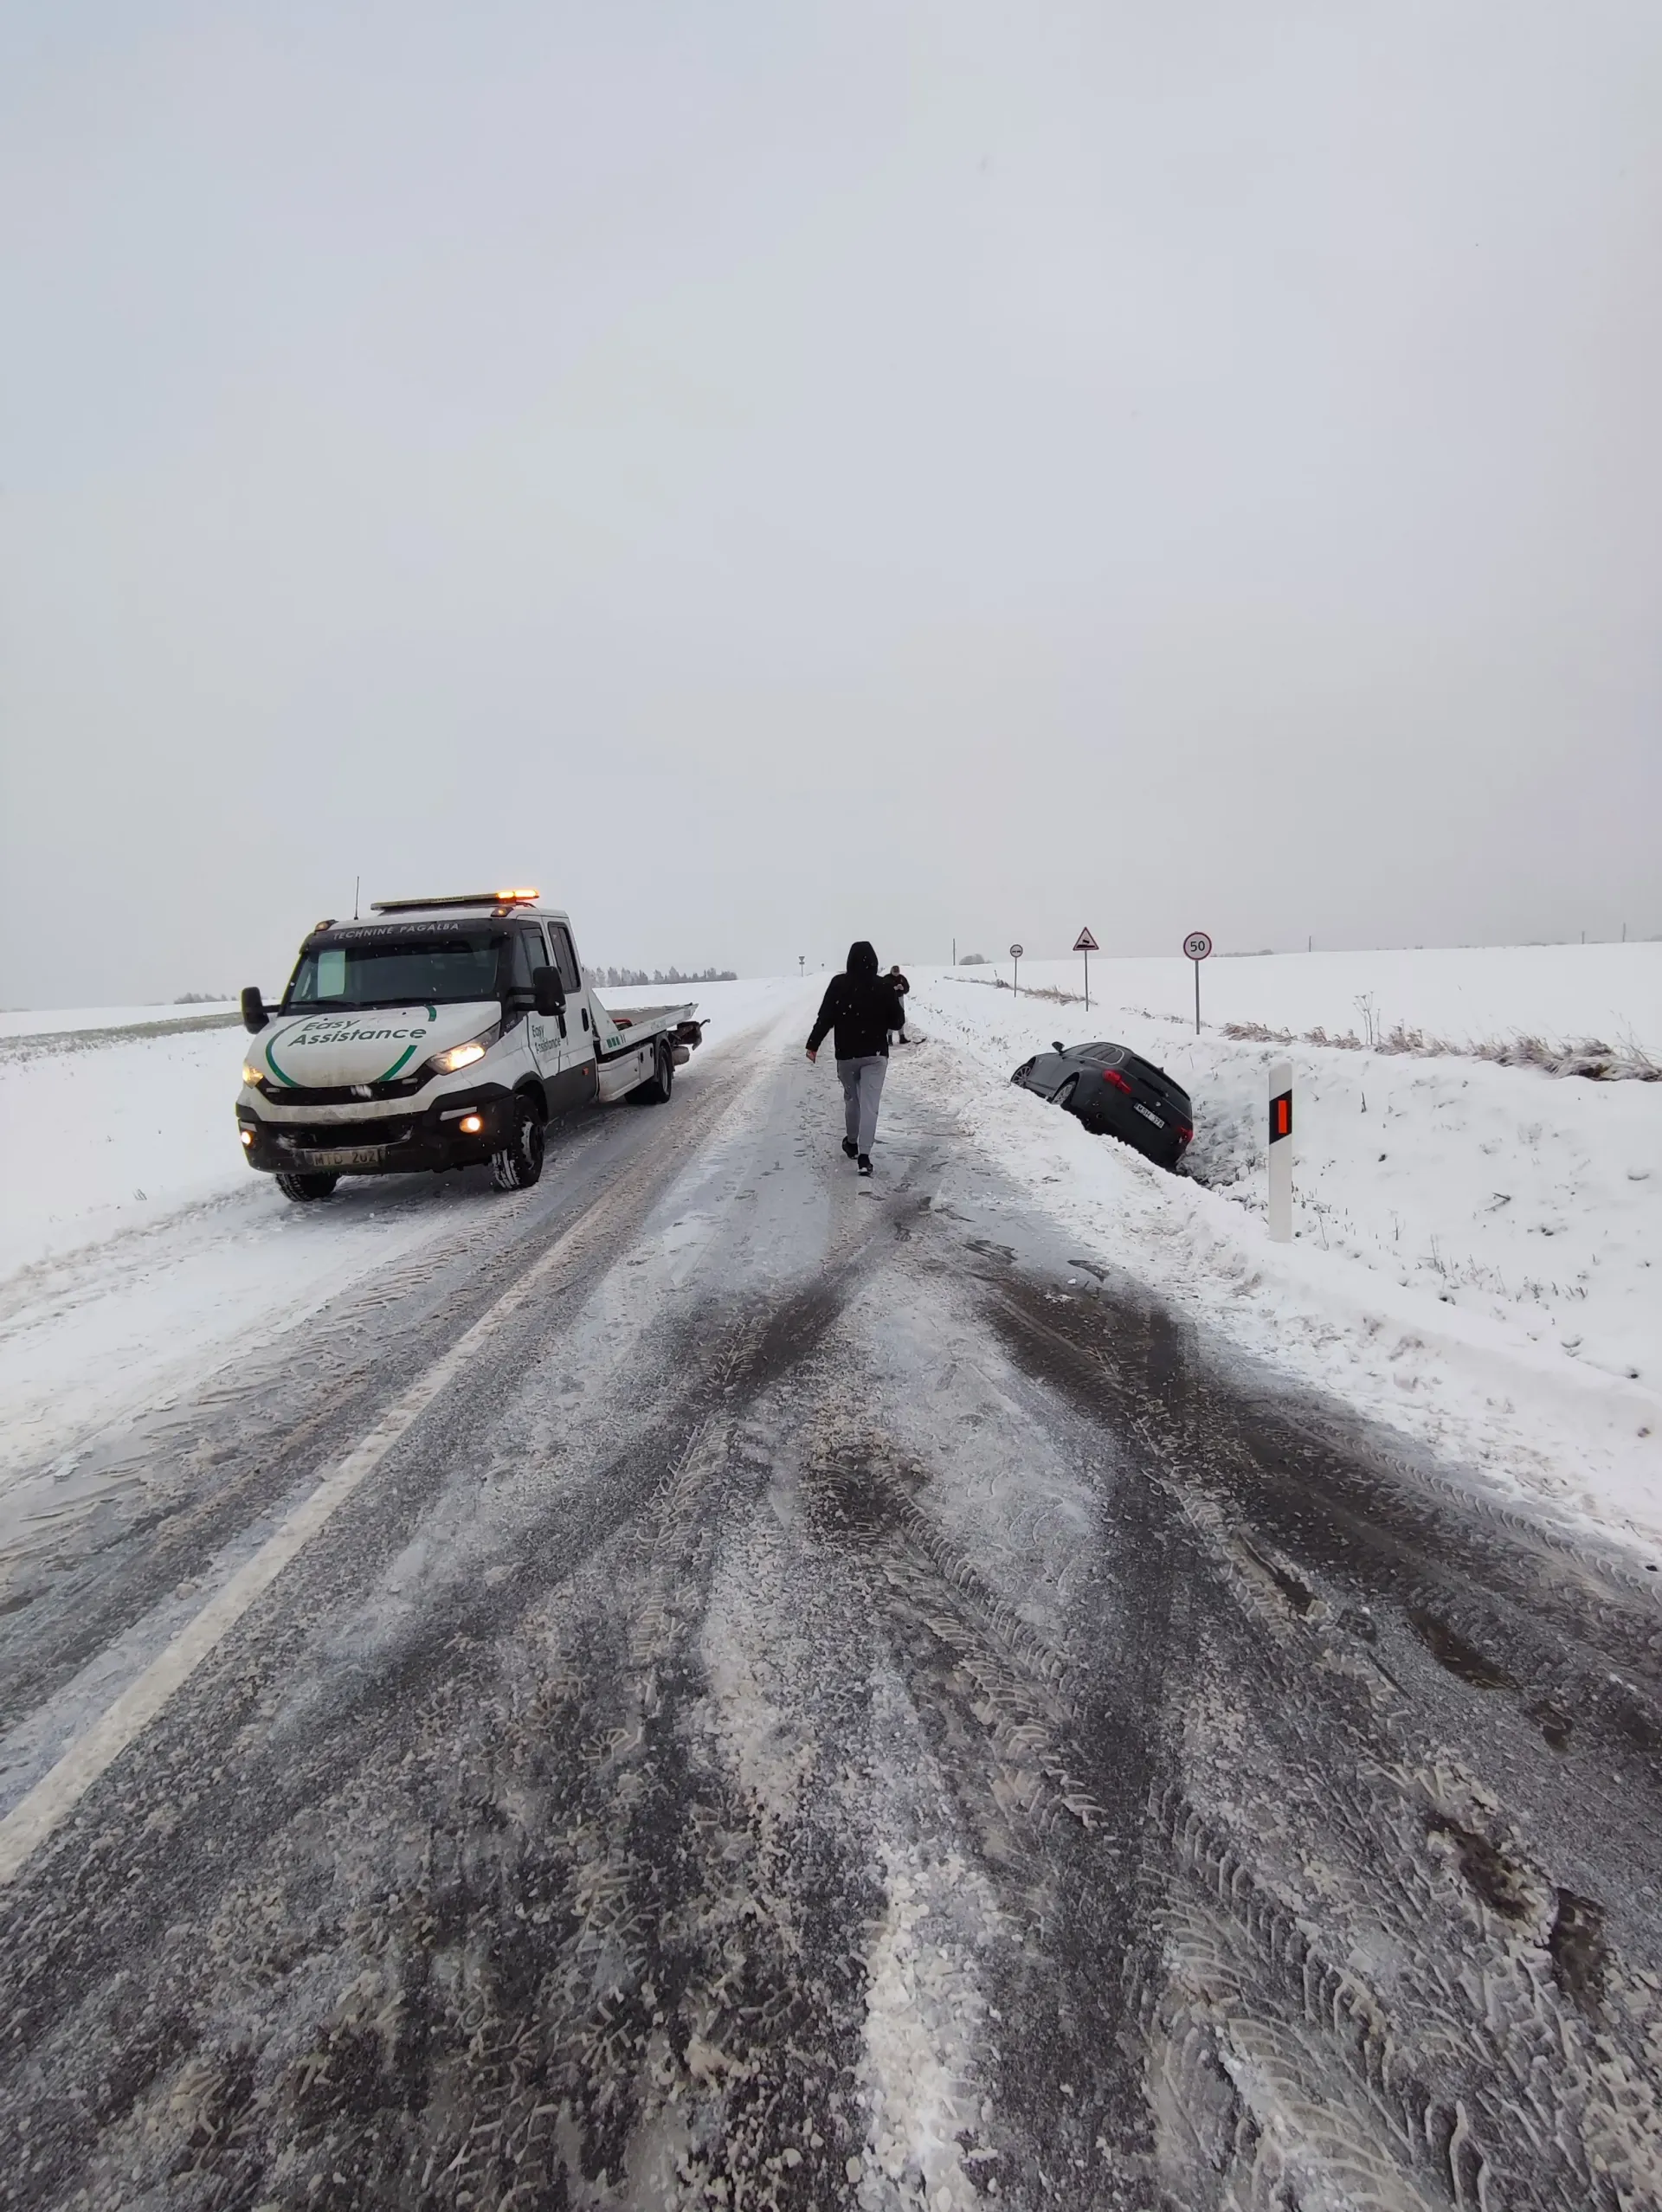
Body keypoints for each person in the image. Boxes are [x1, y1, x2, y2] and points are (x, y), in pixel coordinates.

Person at [806, 942, 905, 1176]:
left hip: (847, 1055)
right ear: (875, 961)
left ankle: (851, 1142)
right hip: (876, 1055)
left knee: (852, 1100)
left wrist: (813, 1044)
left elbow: (825, 1017)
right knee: (871, 1104)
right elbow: (897, 1023)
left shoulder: (839, 984)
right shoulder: (884, 986)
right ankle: (864, 1156)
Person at [886, 963, 912, 1045]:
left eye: (897, 972)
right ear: (891, 971)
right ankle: (889, 1038)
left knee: (900, 1017)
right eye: (895, 972)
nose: (896, 974)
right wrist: (892, 989)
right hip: (889, 999)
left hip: (900, 998)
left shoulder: (902, 978)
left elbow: (907, 988)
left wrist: (903, 988)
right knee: (889, 1018)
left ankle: (902, 1036)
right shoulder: (887, 978)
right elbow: (882, 988)